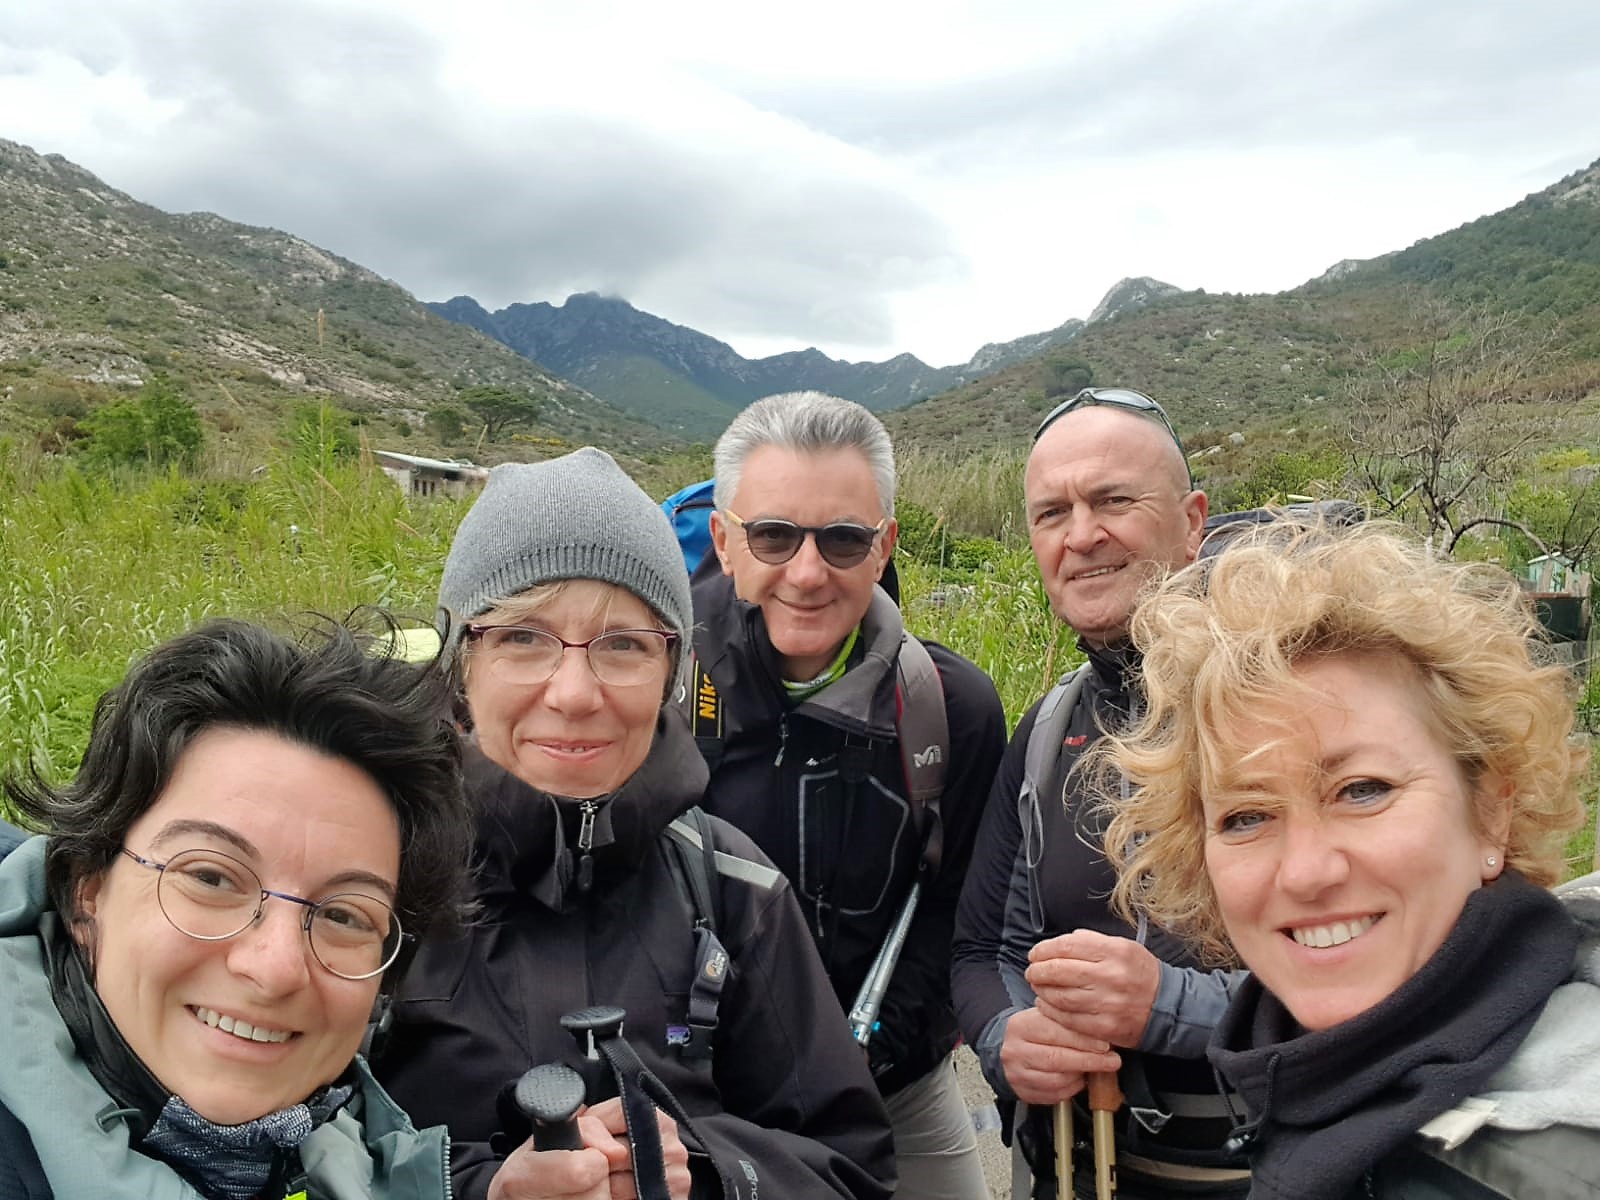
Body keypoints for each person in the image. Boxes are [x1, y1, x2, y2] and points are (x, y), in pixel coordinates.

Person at [375, 447, 895, 1200]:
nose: (574, 692)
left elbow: (850, 1168)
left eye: (623, 645)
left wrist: (707, 1174)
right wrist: (480, 1189)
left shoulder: (732, 888)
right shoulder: (371, 877)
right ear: (462, 663)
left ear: (671, 673)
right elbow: (271, 1151)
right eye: (523, 637)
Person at [1100, 518, 1600, 1199]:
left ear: (1490, 810)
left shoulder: (1551, 1160)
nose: (1306, 871)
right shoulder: (1312, 1078)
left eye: (1363, 790)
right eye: (1247, 816)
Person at [0, 617, 473, 1199]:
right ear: (86, 888)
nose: (275, 969)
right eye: (211, 877)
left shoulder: (351, 1157)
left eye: (343, 915)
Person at [690, 391, 1007, 1200]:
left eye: (842, 539)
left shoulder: (952, 709)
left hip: (895, 1090)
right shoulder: (653, 689)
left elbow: (957, 908)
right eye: (773, 535)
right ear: (725, 540)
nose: (806, 572)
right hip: (700, 1100)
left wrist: (870, 1054)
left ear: (883, 546)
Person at [951, 387, 1252, 1198]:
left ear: (1192, 521)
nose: (1082, 535)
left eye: (1114, 500)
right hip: (1076, 1169)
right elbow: (983, 951)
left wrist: (1169, 1004)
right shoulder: (1050, 730)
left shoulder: (1285, 707)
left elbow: (1396, 965)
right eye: (1052, 513)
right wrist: (1008, 1035)